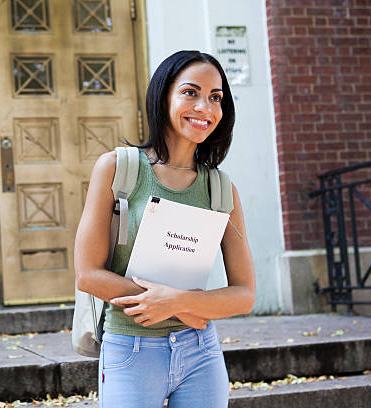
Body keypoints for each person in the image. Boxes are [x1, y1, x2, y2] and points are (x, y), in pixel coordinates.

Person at [74, 50, 256, 407]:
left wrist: (179, 303)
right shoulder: (117, 168)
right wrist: (183, 308)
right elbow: (88, 274)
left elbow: (245, 294)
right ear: (163, 96)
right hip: (130, 350)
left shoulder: (220, 188)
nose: (204, 107)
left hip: (201, 353)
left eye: (215, 97)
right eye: (191, 92)